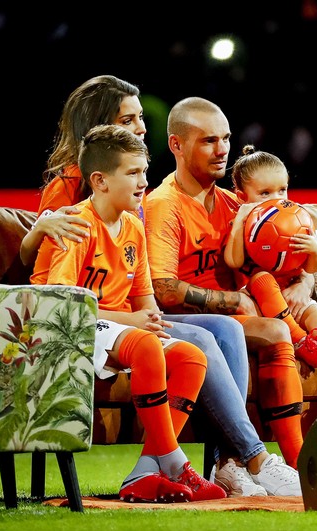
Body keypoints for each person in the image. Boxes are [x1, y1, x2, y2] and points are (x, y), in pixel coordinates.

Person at [22, 75, 299, 497]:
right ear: (101, 174)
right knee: (199, 339)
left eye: (140, 123)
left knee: (217, 333)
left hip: (120, 316)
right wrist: (38, 228)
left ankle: (203, 464)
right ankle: (252, 457)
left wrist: (307, 269)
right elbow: (54, 290)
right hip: (86, 319)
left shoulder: (132, 217)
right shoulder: (75, 207)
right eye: (130, 120)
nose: (140, 129)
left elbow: (146, 292)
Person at [143, 97, 317, 472]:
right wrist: (232, 301)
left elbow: (288, 253)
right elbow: (163, 289)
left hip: (255, 308)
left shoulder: (234, 202)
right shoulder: (164, 204)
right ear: (176, 144)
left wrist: (304, 279)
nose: (222, 149)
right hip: (192, 319)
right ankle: (292, 464)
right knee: (275, 331)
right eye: (208, 141)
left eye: (225, 138)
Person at [31, 125, 225, 503]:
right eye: (133, 173)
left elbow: (144, 300)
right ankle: (174, 460)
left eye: (145, 172)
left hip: (114, 330)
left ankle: (144, 471)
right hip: (65, 329)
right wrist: (133, 324)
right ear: (100, 180)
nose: (144, 182)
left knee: (190, 356)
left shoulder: (134, 225)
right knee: (144, 345)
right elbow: (62, 304)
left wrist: (149, 321)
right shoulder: (77, 223)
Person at [224, 145, 317, 418]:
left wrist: (314, 252)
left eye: (282, 190)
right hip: (260, 305)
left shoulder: (296, 220)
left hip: (292, 300)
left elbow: (311, 266)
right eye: (265, 193)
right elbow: (234, 262)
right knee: (261, 278)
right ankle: (300, 341)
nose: (277, 198)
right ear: (242, 197)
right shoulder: (244, 225)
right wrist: (239, 222)